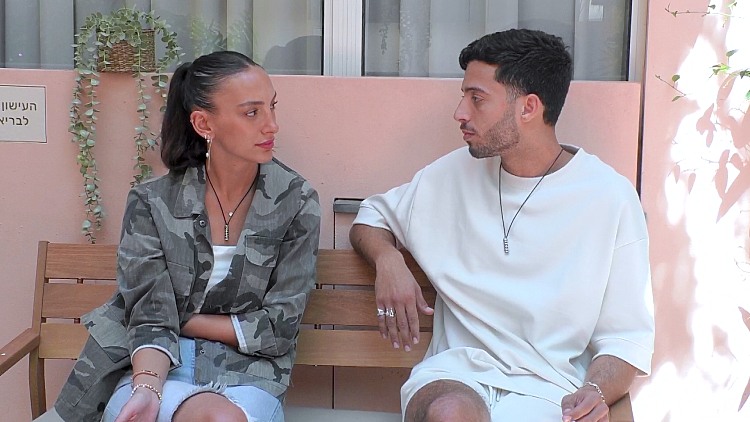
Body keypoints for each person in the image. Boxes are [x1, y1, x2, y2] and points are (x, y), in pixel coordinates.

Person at [349, 29, 654, 422]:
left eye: (476, 99)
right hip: (454, 375)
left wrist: (594, 392)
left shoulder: (609, 197)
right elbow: (371, 218)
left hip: (549, 389)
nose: (460, 113)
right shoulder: (451, 174)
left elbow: (625, 339)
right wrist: (388, 260)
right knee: (450, 413)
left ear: (528, 107)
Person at [49, 51, 321, 422]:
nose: (271, 125)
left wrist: (180, 317)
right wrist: (148, 388)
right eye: (252, 113)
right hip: (153, 363)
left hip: (247, 374)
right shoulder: (152, 203)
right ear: (203, 123)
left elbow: (279, 327)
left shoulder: (296, 201)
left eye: (272, 107)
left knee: (218, 419)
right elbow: (149, 317)